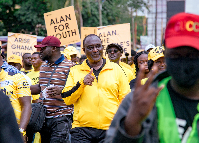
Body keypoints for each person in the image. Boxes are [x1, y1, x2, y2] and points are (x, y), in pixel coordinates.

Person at [105, 12, 199, 143]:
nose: (184, 63)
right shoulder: (138, 100)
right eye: (176, 55)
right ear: (166, 54)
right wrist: (131, 126)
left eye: (192, 55)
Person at [61, 34, 131, 142]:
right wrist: (81, 83)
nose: (95, 50)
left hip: (110, 129)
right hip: (81, 130)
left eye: (98, 46)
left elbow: (125, 99)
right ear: (84, 50)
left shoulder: (116, 69)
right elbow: (67, 99)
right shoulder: (75, 70)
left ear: (102, 48)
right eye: (90, 47)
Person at [31, 36, 74, 143]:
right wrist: (19, 88)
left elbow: (77, 90)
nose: (40, 51)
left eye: (43, 48)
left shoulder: (71, 66)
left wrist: (62, 90)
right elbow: (40, 87)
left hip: (62, 117)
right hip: (44, 117)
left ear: (53, 48)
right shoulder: (43, 65)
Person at [0, 53, 32, 143]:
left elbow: (27, 105)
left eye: (15, 64)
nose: (12, 66)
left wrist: (21, 131)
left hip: (12, 131)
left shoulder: (17, 78)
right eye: (11, 63)